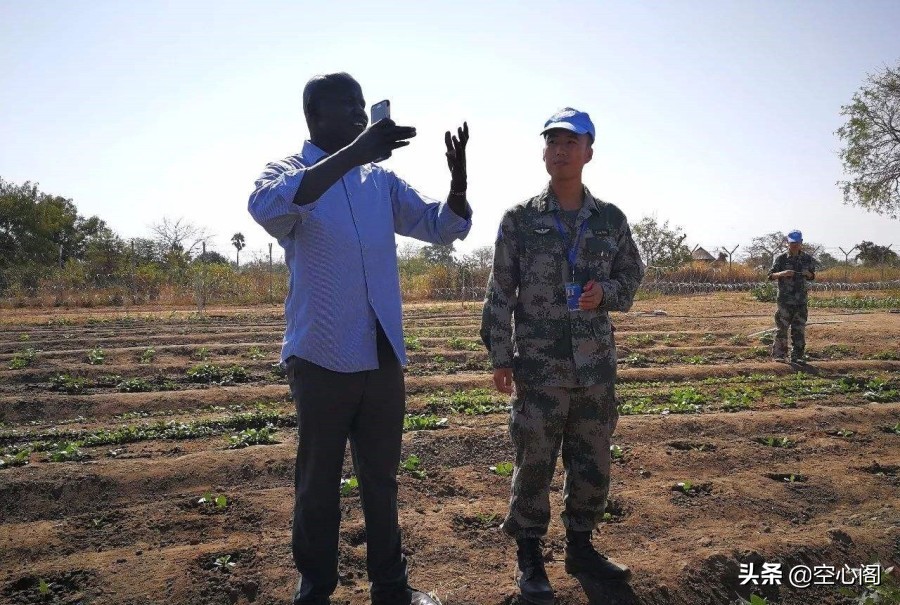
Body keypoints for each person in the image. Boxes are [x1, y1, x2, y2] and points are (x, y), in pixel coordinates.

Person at [248, 72, 471, 605]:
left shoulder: (380, 183)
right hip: (322, 356)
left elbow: (440, 227)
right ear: (313, 117)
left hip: (381, 355)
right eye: (346, 107)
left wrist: (458, 185)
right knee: (318, 482)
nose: (358, 114)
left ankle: (391, 589)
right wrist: (353, 154)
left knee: (381, 480)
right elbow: (268, 209)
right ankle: (316, 589)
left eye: (361, 106)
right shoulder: (289, 171)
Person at [479, 108, 644, 605]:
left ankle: (581, 546)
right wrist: (500, 356)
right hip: (540, 368)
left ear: (589, 152)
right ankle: (529, 556)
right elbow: (499, 292)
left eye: (571, 142)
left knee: (591, 460)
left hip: (594, 367)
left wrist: (606, 293)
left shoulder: (610, 219)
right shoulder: (520, 219)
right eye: (552, 141)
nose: (560, 150)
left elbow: (631, 279)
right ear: (544, 152)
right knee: (534, 461)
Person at [767, 230, 816, 363]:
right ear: (788, 243)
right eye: (792, 242)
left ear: (801, 243)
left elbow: (812, 276)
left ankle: (798, 356)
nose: (794, 245)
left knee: (799, 328)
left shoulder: (807, 258)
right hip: (785, 300)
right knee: (782, 328)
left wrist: (808, 274)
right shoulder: (781, 258)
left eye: (797, 242)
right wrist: (783, 273)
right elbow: (770, 276)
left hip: (801, 300)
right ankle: (780, 355)